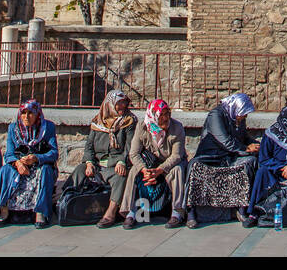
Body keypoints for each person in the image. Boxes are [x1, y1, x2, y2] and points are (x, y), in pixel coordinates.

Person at [186, 91, 260, 228]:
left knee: (249, 162)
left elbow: (244, 137)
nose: (245, 116)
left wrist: (255, 145)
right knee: (195, 166)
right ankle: (191, 212)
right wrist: (246, 149)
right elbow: (224, 140)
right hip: (211, 155)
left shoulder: (239, 119)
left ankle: (242, 208)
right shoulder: (216, 115)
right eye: (243, 113)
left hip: (229, 156)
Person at [121, 99, 188, 229]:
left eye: (167, 114)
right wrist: (145, 170)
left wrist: (160, 170)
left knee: (177, 170)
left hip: (170, 164)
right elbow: (134, 153)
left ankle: (177, 212)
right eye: (162, 115)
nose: (166, 118)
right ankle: (130, 212)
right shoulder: (142, 127)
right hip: (149, 164)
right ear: (154, 115)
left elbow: (176, 155)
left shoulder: (176, 128)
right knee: (134, 170)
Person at [75, 90, 136, 228]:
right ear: (110, 105)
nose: (122, 107)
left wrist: (122, 161)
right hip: (97, 163)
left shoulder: (129, 121)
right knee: (80, 170)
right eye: (118, 104)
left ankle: (111, 213)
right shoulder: (98, 122)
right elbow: (89, 147)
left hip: (115, 163)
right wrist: (89, 163)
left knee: (120, 177)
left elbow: (130, 146)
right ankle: (70, 202)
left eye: (124, 103)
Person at [0, 99, 58, 229]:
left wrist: (36, 158)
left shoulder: (48, 127)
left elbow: (54, 153)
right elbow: (9, 154)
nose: (26, 117)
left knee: (44, 171)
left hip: (39, 165)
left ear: (37, 114)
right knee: (6, 170)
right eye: (23, 113)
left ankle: (40, 212)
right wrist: (18, 163)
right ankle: (4, 211)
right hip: (20, 166)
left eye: (30, 113)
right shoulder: (13, 128)